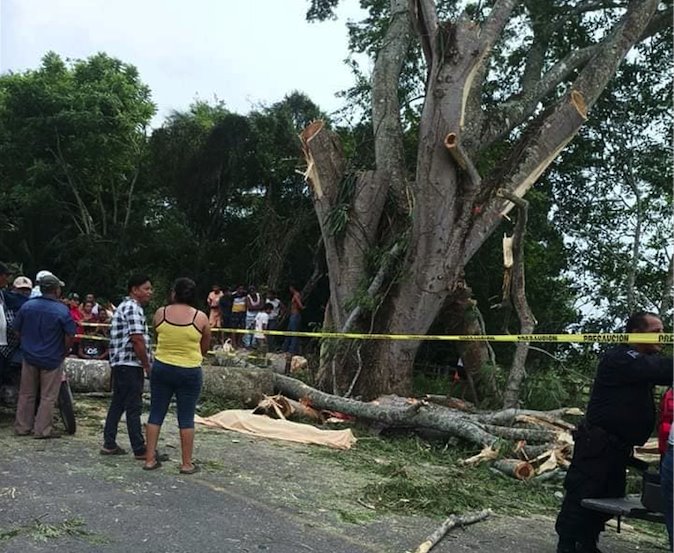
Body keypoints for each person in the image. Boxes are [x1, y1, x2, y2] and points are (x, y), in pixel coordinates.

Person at [555, 312, 672, 553]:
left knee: (607, 496)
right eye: (656, 331)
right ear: (636, 334)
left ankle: (587, 543)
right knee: (582, 494)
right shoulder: (621, 358)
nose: (663, 335)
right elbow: (661, 370)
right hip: (598, 445)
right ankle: (568, 545)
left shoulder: (640, 359)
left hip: (616, 447)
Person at [143, 277, 210, 473]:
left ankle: (149, 459)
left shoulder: (160, 313)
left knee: (156, 413)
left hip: (162, 367)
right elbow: (204, 347)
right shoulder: (201, 317)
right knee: (186, 417)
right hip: (189, 370)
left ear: (174, 293)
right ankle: (187, 463)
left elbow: (158, 336)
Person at [101, 274, 163, 461]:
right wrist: (147, 365)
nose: (149, 293)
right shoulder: (133, 308)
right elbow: (137, 339)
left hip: (121, 363)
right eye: (146, 289)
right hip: (130, 364)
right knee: (133, 407)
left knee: (118, 404)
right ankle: (139, 448)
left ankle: (109, 443)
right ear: (134, 290)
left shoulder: (125, 307)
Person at [13, 273, 75, 438]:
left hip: (29, 355)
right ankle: (42, 430)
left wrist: (26, 344)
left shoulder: (27, 306)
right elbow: (70, 335)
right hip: (52, 357)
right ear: (56, 290)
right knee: (48, 396)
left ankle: (22, 427)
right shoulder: (62, 310)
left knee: (26, 393)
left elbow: (17, 329)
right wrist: (65, 350)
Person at [281, 284, 304, 355]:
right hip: (293, 315)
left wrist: (302, 307)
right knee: (289, 332)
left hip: (295, 315)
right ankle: (285, 348)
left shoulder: (296, 295)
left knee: (294, 333)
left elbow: (300, 305)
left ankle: (292, 350)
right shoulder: (296, 295)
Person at [230, 285, 247, 349]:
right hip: (235, 313)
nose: (241, 290)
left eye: (242, 289)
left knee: (242, 327)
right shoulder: (233, 295)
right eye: (239, 289)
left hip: (243, 313)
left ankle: (239, 342)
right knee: (234, 328)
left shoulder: (245, 294)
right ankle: (234, 343)